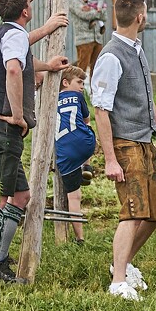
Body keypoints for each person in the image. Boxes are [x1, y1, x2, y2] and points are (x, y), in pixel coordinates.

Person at [0, 0, 68, 285]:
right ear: (25, 11)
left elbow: (20, 59)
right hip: (2, 124)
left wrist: (48, 65)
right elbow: (13, 69)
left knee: (20, 195)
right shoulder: (12, 34)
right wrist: (16, 114)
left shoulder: (4, 33)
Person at [92, 0, 156, 300]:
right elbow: (101, 110)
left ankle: (125, 262)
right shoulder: (110, 56)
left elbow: (146, 100)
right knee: (132, 211)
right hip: (125, 144)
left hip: (145, 142)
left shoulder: (137, 50)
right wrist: (109, 159)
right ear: (140, 18)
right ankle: (118, 281)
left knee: (153, 213)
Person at [54, 65, 97, 243]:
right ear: (65, 82)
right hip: (85, 145)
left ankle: (79, 238)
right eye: (79, 82)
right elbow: (86, 119)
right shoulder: (78, 96)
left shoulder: (50, 98)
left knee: (73, 196)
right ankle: (87, 165)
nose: (81, 86)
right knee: (87, 128)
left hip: (64, 153)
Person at [67, 0, 106, 74]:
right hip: (83, 39)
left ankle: (95, 90)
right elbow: (84, 15)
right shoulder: (74, 0)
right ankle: (77, 89)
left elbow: (105, 15)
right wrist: (98, 11)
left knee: (97, 69)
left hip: (97, 38)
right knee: (81, 69)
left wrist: (96, 10)